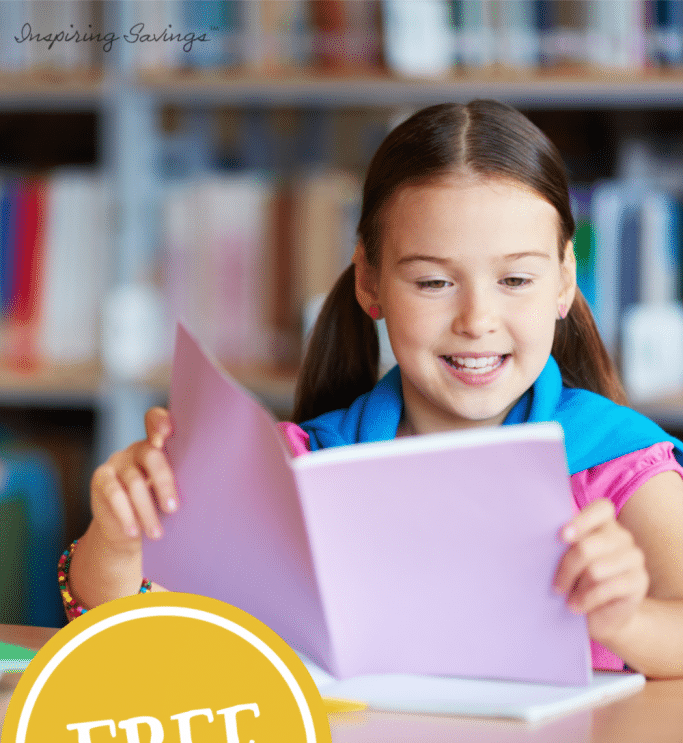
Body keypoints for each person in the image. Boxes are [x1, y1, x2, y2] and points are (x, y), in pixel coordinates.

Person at [64, 100, 683, 679]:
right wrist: (119, 538)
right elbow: (137, 629)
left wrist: (627, 622)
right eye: (434, 283)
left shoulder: (620, 468)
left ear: (564, 281)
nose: (477, 319)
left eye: (516, 278)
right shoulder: (299, 469)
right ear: (370, 282)